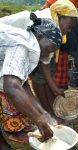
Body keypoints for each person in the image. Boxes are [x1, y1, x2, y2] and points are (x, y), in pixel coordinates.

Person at [0, 17, 62, 149]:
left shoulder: (28, 48)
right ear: (39, 36)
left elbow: (22, 84)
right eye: (50, 48)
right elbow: (11, 87)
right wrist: (39, 120)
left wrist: (43, 113)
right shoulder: (22, 45)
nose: (48, 54)